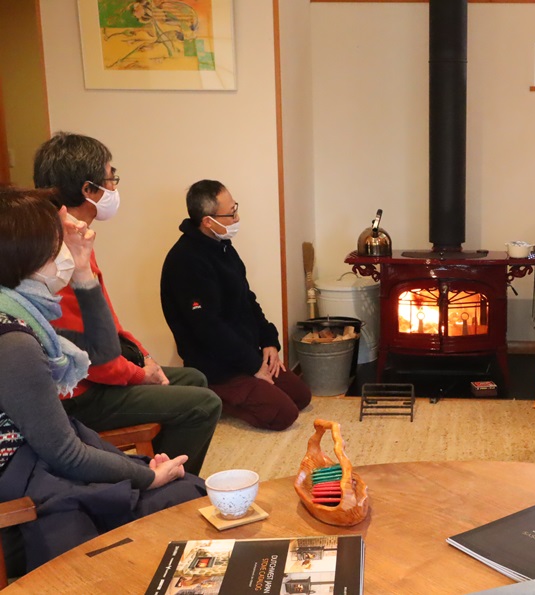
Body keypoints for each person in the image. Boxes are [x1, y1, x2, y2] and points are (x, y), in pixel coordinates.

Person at [0, 187, 205, 573]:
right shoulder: (13, 341)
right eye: (58, 246)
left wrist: (82, 271)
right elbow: (66, 455)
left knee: (178, 484)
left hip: (39, 460)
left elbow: (104, 352)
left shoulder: (19, 312)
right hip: (22, 495)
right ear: (29, 257)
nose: (64, 253)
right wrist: (147, 476)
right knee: (187, 493)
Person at [33, 132, 222, 476]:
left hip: (96, 374)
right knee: (204, 404)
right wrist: (139, 375)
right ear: (88, 189)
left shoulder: (72, 236)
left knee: (194, 379)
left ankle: (157, 471)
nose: (114, 187)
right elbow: (95, 360)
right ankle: (163, 485)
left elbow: (108, 324)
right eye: (111, 179)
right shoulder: (57, 257)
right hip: (77, 394)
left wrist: (145, 357)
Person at [160, 180, 311, 430]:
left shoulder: (223, 248)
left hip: (244, 354)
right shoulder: (185, 261)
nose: (237, 218)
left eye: (235, 209)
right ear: (208, 221)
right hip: (216, 366)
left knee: (301, 396)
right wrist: (253, 366)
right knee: (284, 414)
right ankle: (212, 396)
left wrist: (269, 341)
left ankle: (245, 386)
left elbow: (247, 298)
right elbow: (208, 328)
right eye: (231, 213)